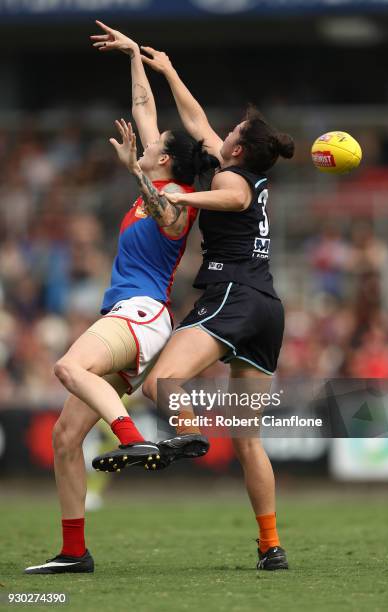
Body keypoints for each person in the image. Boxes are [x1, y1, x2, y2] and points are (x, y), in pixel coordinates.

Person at [24, 23, 217, 575]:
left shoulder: (178, 195)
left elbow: (167, 213)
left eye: (154, 147)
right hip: (128, 317)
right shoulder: (154, 179)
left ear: (165, 163)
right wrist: (133, 55)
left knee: (66, 365)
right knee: (65, 437)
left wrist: (139, 176)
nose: (146, 141)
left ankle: (131, 437)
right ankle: (74, 552)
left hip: (141, 315)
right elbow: (142, 107)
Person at [140, 47, 295, 571]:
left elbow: (232, 201)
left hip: (233, 297)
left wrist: (182, 200)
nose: (222, 131)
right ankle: (270, 546)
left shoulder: (233, 179)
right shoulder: (239, 165)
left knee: (161, 383)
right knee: (248, 440)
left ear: (240, 147)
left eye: (233, 130)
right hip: (267, 307)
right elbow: (195, 118)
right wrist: (166, 68)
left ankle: (185, 432)